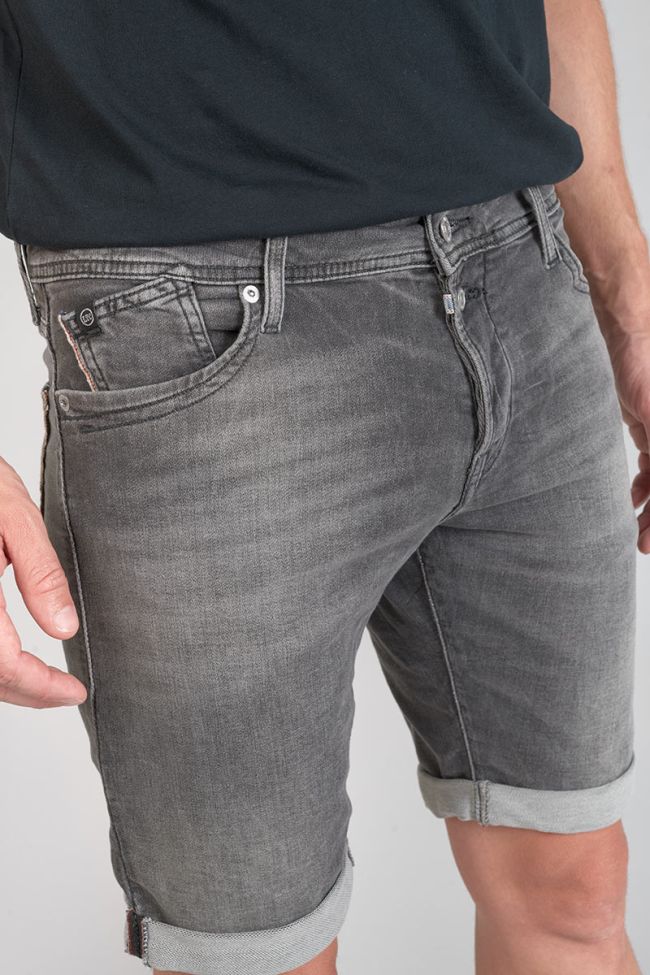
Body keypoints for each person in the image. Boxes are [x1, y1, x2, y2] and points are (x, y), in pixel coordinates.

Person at [0, 0, 648, 972]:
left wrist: (629, 294)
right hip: (197, 319)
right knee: (261, 955)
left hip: (522, 264)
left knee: (575, 895)